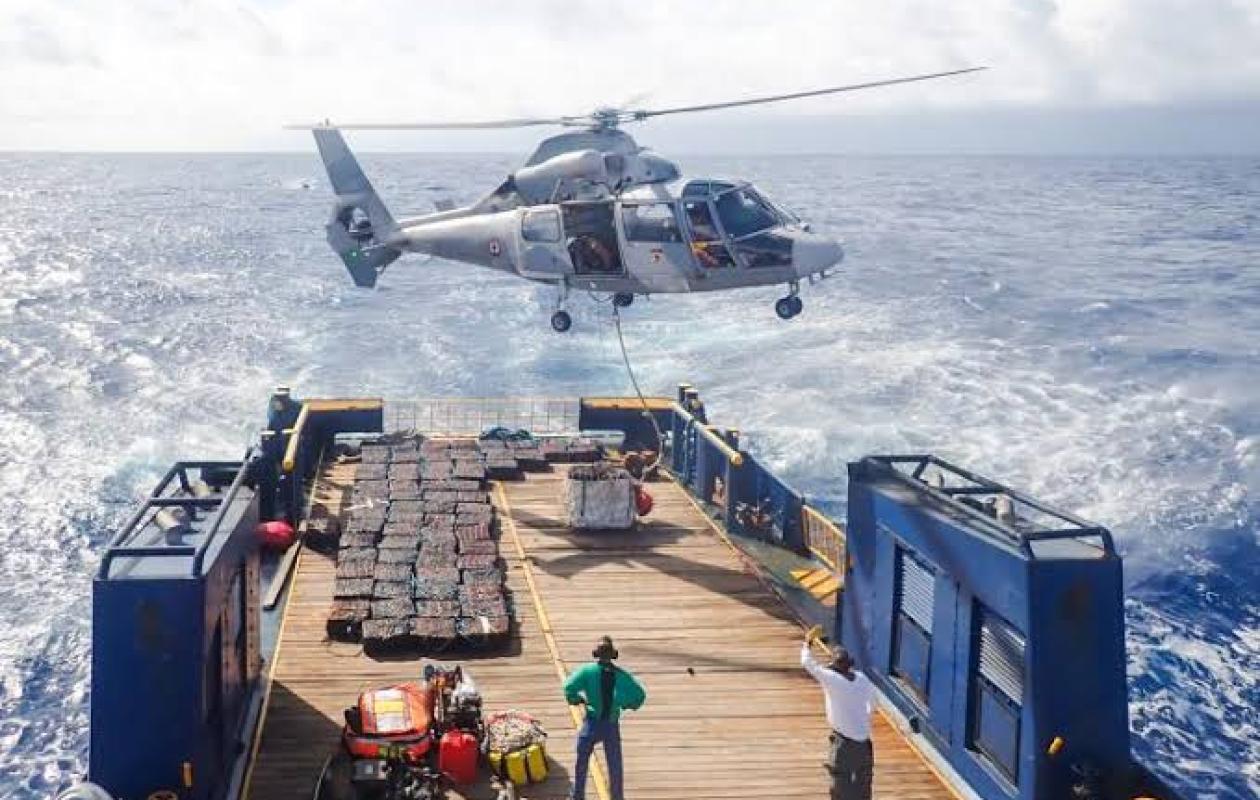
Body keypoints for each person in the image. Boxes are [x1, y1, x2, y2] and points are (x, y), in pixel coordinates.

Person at [563, 635, 646, 800]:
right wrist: (626, 704)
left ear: (596, 654)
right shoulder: (621, 676)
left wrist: (576, 699)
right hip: (611, 725)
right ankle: (617, 796)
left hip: (592, 722)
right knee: (615, 765)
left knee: (582, 760)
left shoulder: (587, 671)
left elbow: (568, 687)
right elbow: (640, 695)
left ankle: (578, 795)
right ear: (613, 655)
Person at [801, 637, 875, 800]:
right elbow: (872, 703)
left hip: (844, 744)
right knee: (863, 787)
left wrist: (807, 644)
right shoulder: (862, 679)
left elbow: (808, 663)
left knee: (841, 786)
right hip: (864, 743)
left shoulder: (832, 680)